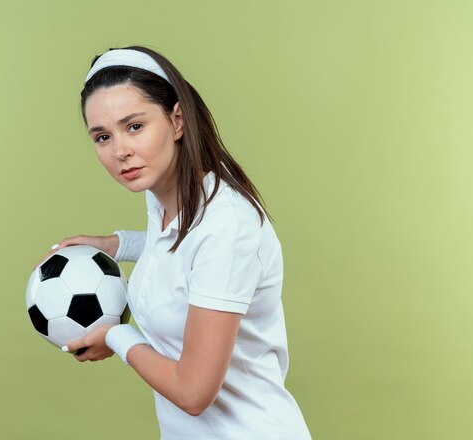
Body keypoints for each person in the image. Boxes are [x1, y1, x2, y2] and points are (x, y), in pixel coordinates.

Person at [35, 46, 311, 440]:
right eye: (102, 136)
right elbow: (182, 248)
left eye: (134, 127)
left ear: (177, 120)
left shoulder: (228, 225)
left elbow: (194, 391)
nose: (120, 151)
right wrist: (117, 244)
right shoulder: (165, 197)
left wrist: (115, 334)